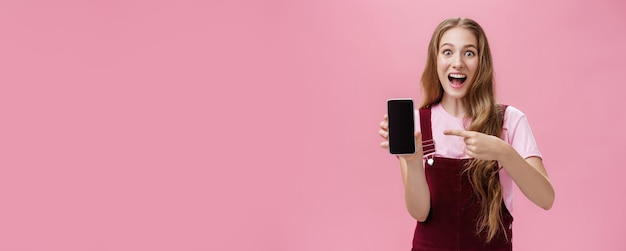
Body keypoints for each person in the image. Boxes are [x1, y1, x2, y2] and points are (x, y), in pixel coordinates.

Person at [377, 17, 555, 251]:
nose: (457, 62)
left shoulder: (510, 120)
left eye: (469, 53)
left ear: (482, 62)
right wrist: (412, 162)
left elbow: (546, 199)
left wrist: (503, 152)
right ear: (435, 60)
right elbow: (420, 212)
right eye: (447, 52)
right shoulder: (416, 124)